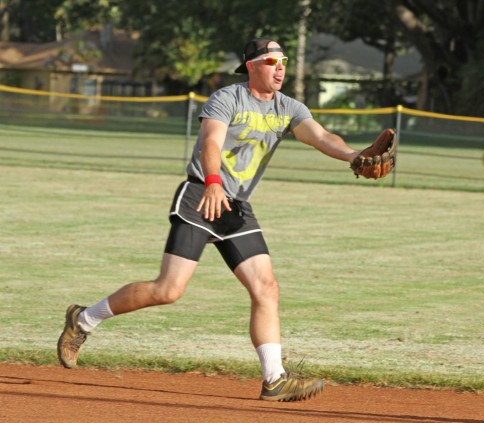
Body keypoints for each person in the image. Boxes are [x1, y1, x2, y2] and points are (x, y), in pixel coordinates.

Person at [57, 37, 364, 402]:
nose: (279, 67)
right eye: (270, 60)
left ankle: (274, 378)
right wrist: (214, 183)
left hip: (236, 208)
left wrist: (353, 156)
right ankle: (84, 319)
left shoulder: (288, 108)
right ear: (251, 65)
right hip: (201, 196)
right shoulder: (227, 98)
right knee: (168, 290)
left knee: (266, 287)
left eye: (283, 60)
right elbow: (210, 143)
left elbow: (321, 136)